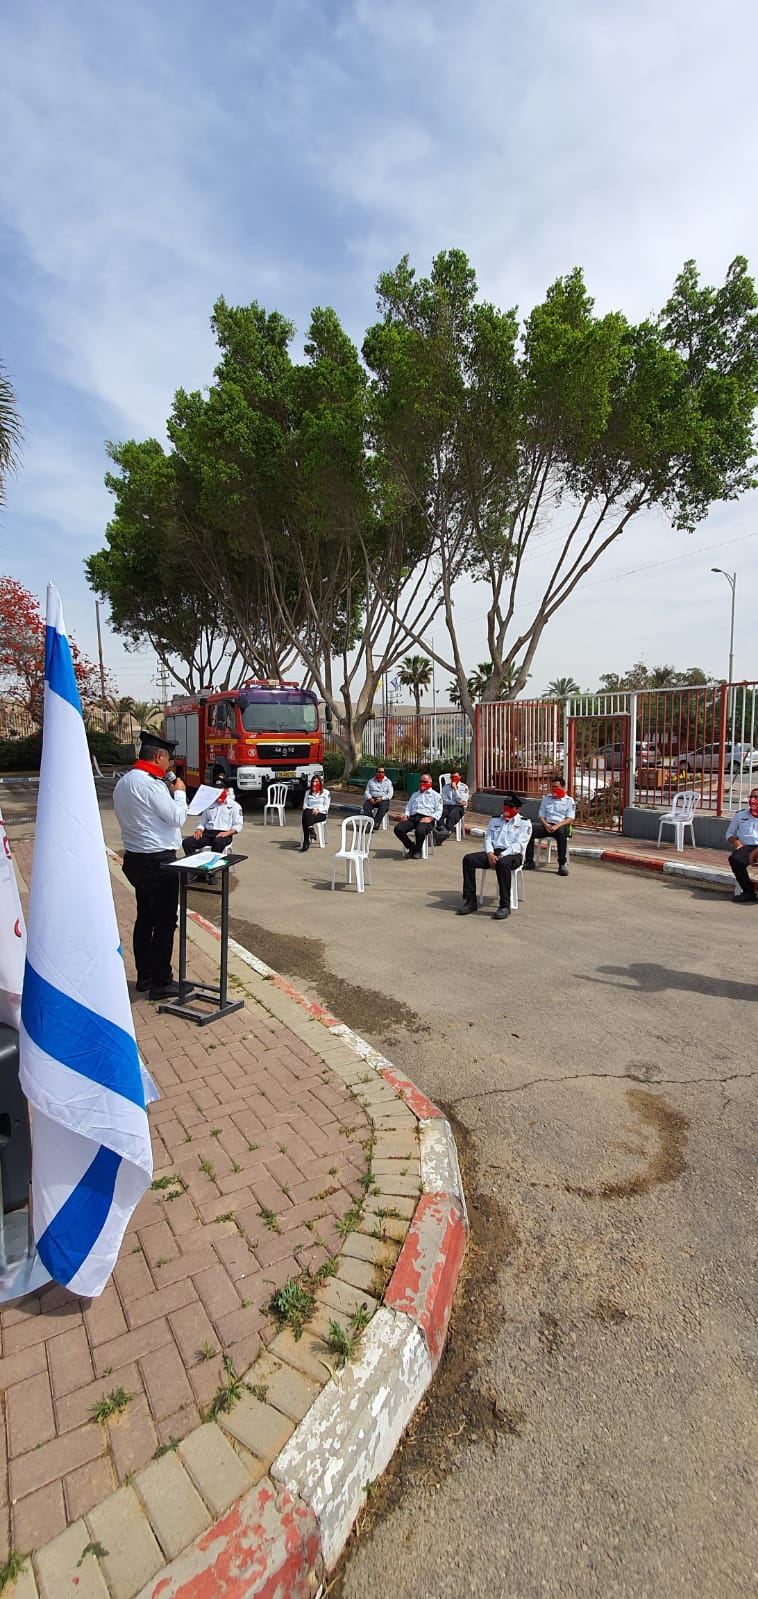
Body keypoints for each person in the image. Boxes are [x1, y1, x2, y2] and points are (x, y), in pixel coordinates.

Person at [113, 730, 188, 999]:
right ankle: (161, 982)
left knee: (145, 918)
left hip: (135, 858)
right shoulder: (151, 785)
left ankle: (145, 976)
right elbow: (177, 818)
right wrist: (179, 794)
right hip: (158, 862)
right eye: (168, 759)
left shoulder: (125, 782)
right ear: (158, 756)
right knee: (165, 922)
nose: (169, 764)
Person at [458, 791, 532, 920]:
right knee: (469, 859)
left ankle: (504, 905)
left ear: (518, 809)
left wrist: (502, 855)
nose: (507, 809)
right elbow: (488, 839)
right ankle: (470, 900)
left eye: (511, 807)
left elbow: (519, 845)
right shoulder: (495, 819)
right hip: (493, 853)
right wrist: (490, 853)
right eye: (506, 805)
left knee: (502, 864)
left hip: (512, 855)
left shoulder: (524, 823)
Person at [524, 779, 575, 875]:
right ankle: (529, 861)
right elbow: (541, 815)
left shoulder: (569, 801)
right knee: (529, 830)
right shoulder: (547, 799)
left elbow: (570, 819)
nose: (554, 789)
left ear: (563, 787)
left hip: (561, 825)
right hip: (547, 825)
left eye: (556, 787)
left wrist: (557, 826)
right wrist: (545, 824)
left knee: (561, 834)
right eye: (552, 787)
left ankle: (562, 864)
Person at [184, 784, 244, 856]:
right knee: (187, 843)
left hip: (224, 834)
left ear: (226, 791)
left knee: (217, 843)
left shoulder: (234, 806)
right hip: (208, 833)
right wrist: (199, 830)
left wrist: (227, 833)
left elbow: (238, 825)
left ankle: (215, 862)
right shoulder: (209, 804)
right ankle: (194, 862)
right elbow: (202, 821)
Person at [394, 774, 443, 858]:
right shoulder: (415, 794)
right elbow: (408, 807)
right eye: (421, 781)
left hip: (426, 818)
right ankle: (411, 847)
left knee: (420, 831)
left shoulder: (436, 795)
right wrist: (406, 815)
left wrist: (430, 818)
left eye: (425, 782)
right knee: (398, 829)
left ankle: (418, 850)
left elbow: (439, 810)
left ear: (430, 783)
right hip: (413, 817)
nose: (423, 783)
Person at [725, 788, 758, 903]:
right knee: (735, 859)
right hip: (746, 847)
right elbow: (729, 834)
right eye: (751, 797)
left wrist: (755, 853)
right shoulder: (740, 815)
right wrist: (736, 842)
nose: (753, 800)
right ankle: (748, 892)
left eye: (756, 797)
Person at [435, 771, 469, 842]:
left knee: (453, 814)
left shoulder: (464, 787)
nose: (453, 778)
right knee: (440, 813)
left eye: (456, 777)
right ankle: (441, 830)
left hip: (459, 808)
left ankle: (445, 831)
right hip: (447, 806)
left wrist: (455, 789)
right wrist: (456, 803)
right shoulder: (446, 787)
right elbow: (444, 800)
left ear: (460, 777)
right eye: (452, 777)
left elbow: (461, 800)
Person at [300, 774, 331, 851]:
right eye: (313, 781)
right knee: (306, 812)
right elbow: (304, 806)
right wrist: (312, 810)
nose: (315, 783)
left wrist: (318, 810)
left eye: (317, 782)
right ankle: (311, 831)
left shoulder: (326, 792)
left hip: (321, 814)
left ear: (320, 783)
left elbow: (326, 806)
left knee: (305, 818)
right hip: (310, 812)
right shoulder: (308, 792)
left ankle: (306, 842)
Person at [362, 766, 393, 832]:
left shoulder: (388, 782)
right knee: (366, 806)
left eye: (382, 772)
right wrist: (370, 798)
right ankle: (371, 822)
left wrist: (382, 798)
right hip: (372, 798)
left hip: (383, 799)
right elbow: (366, 792)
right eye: (379, 772)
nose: (381, 773)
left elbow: (390, 794)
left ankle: (376, 823)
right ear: (376, 772)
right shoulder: (371, 781)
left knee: (383, 807)